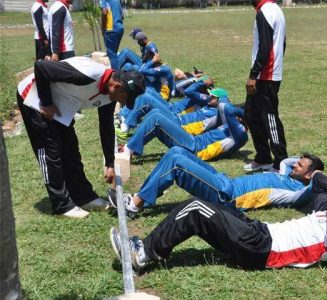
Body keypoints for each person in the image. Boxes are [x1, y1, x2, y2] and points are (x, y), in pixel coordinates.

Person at [110, 172, 327, 273]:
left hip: (261, 248)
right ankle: (145, 250)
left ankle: (142, 253)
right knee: (210, 206)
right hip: (260, 233)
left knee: (194, 209)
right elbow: (317, 180)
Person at [16, 56, 145, 219]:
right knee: (51, 152)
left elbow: (106, 127)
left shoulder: (110, 94)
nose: (125, 103)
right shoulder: (87, 74)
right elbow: (41, 67)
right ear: (117, 86)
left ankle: (84, 197)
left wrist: (110, 163)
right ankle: (62, 206)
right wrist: (46, 102)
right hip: (34, 97)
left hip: (61, 102)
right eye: (126, 98)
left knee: (71, 150)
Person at [108, 147, 323, 218]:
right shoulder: (286, 173)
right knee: (177, 151)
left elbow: (313, 190)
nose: (295, 165)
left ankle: (134, 205)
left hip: (227, 196)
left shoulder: (295, 191)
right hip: (224, 181)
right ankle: (143, 194)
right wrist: (304, 162)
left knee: (176, 162)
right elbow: (286, 160)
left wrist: (316, 176)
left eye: (301, 166)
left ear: (308, 176)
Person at [243, 0, 288, 173]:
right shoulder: (274, 9)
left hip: (265, 75)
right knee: (251, 113)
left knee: (270, 118)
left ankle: (280, 162)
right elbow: (282, 44)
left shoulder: (266, 11)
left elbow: (265, 47)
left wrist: (254, 74)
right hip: (267, 73)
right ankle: (263, 158)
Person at [121, 102, 248, 162]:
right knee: (156, 113)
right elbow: (223, 108)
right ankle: (131, 147)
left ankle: (128, 150)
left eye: (238, 116)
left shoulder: (240, 135)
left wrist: (245, 114)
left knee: (156, 118)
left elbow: (224, 107)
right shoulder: (231, 128)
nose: (235, 118)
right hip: (193, 142)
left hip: (195, 150)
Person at [100, 0, 124, 70]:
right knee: (114, 54)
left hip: (111, 29)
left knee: (112, 55)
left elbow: (104, 12)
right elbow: (122, 16)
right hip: (120, 28)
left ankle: (116, 76)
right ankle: (118, 71)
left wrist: (103, 27)